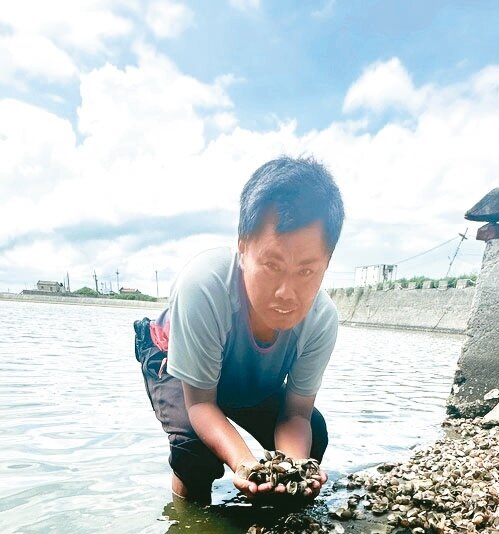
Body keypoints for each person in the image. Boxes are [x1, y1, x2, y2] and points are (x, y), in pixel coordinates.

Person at [134, 155, 344, 505]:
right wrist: (243, 462)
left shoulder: (321, 319)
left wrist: (291, 469)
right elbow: (201, 403)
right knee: (194, 449)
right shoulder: (203, 286)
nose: (286, 294)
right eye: (273, 265)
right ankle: (189, 523)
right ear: (243, 247)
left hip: (247, 374)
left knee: (314, 435)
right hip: (175, 359)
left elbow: (296, 413)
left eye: (306, 271)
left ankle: (268, 513)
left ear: (327, 263)